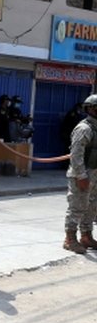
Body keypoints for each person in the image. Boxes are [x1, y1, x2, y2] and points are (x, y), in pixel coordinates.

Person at [62, 94, 97, 254]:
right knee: (77, 206)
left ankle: (86, 236)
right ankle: (70, 239)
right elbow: (76, 155)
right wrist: (82, 176)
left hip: (94, 173)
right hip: (82, 173)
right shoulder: (84, 128)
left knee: (91, 206)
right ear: (91, 109)